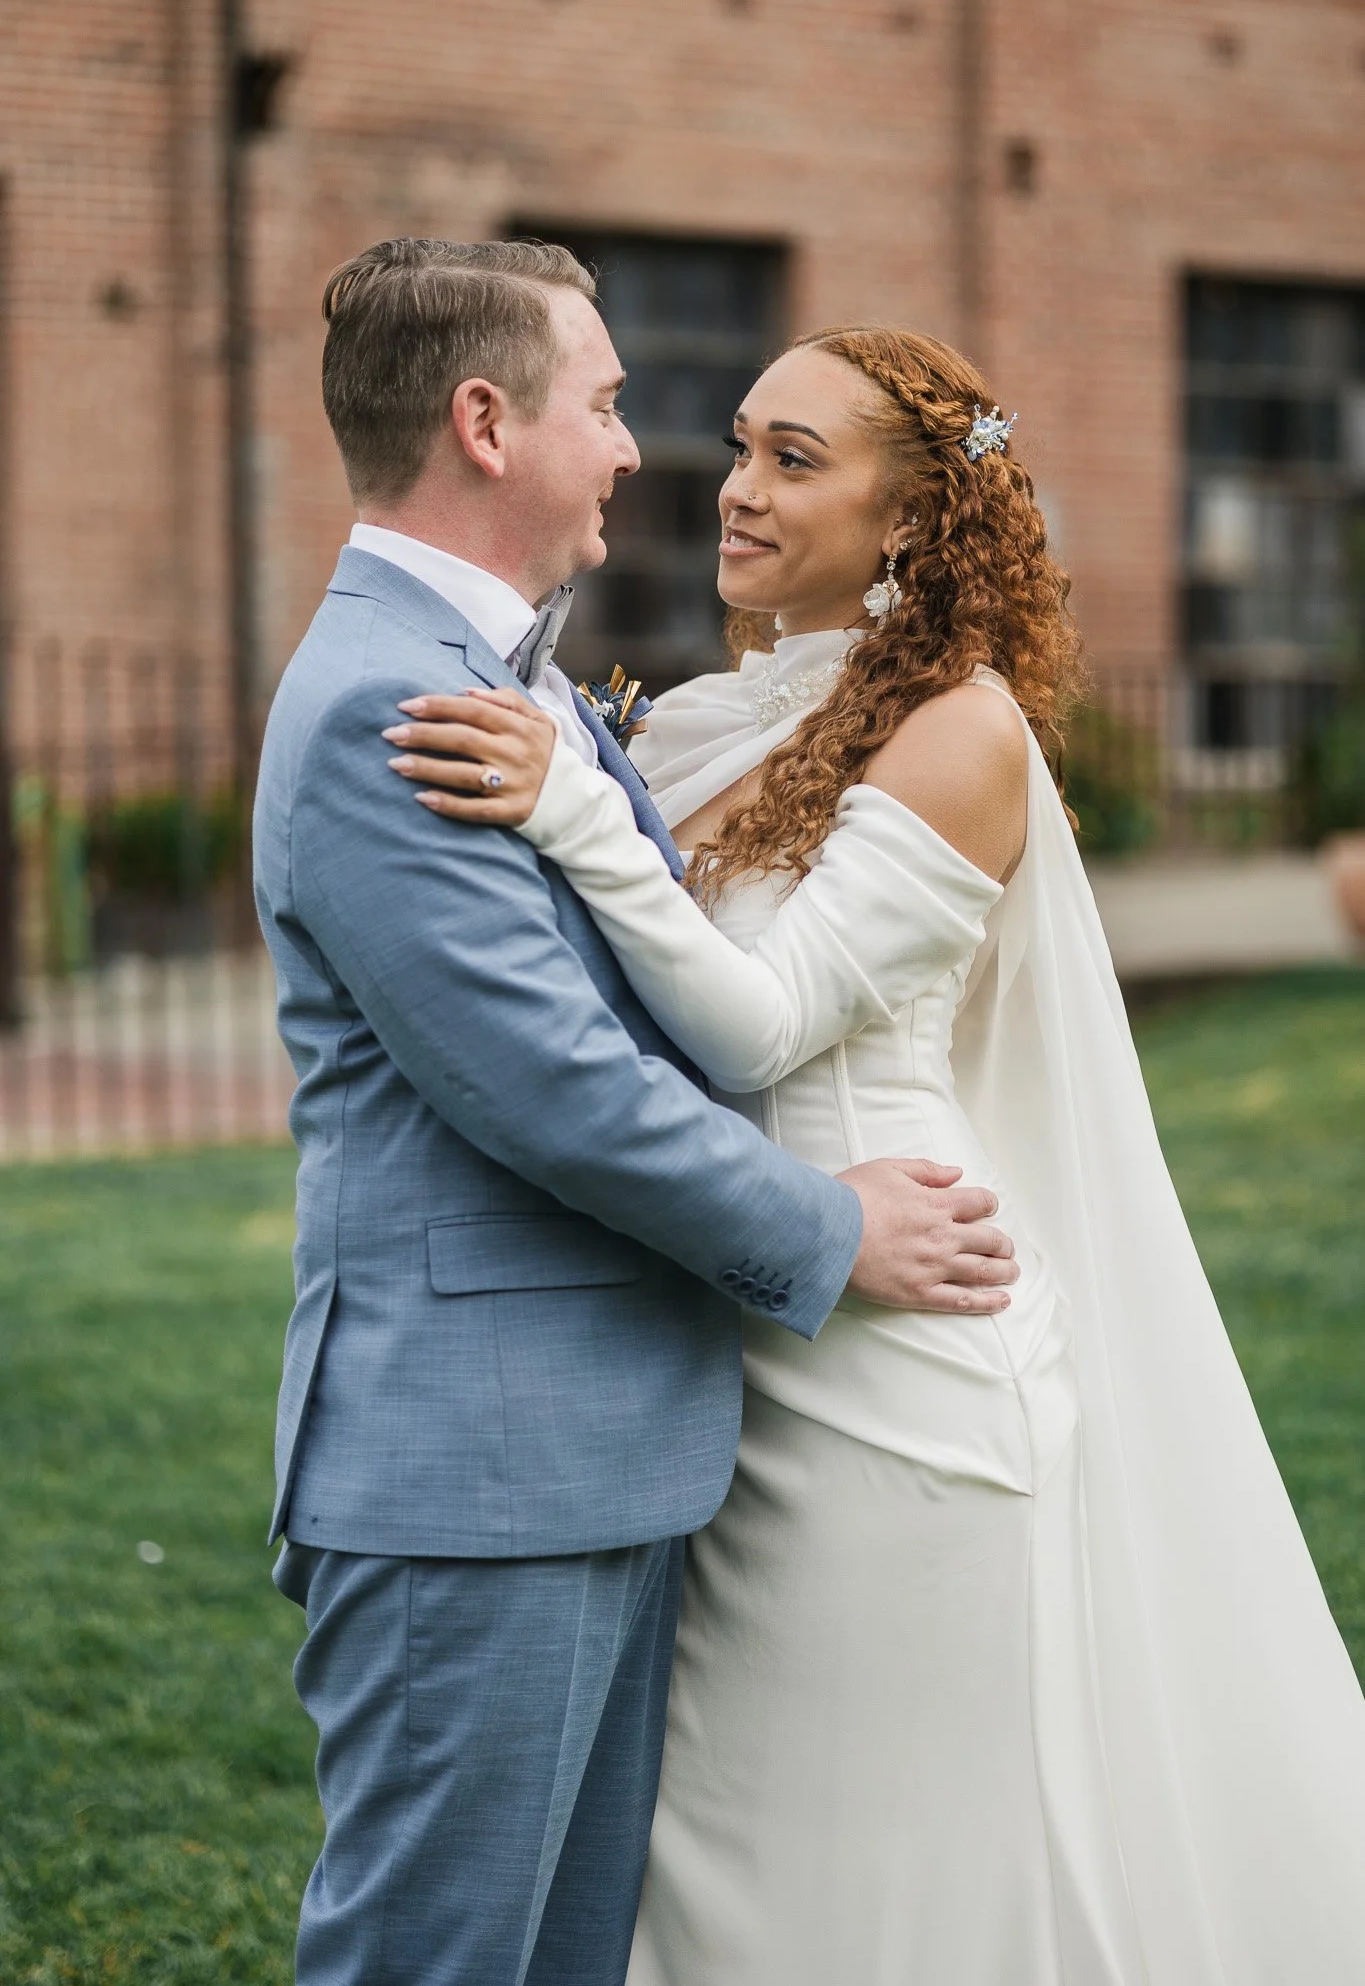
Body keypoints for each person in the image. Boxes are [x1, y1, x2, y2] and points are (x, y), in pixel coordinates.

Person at [393, 323, 1365, 1983]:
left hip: (901, 1348)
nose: (736, 489)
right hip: (741, 1330)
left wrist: (569, 811)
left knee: (886, 1863)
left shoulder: (964, 733)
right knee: (729, 1850)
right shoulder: (708, 717)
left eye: (794, 459)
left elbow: (763, 1025)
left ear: (909, 521)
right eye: (739, 445)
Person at [252, 242, 1020, 1986]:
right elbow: (562, 1097)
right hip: (480, 1467)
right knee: (442, 1958)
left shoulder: (499, 670)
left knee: (568, 1955)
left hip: (596, 1445)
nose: (634, 452)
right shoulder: (400, 694)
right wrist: (839, 1227)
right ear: (482, 422)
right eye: (603, 406)